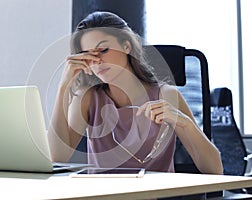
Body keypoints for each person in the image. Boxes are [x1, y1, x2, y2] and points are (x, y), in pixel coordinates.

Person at [48, 11, 223, 174]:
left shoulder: (166, 95)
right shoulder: (87, 98)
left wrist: (185, 123)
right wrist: (63, 87)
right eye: (88, 54)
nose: (97, 60)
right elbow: (57, 157)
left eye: (103, 50)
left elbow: (215, 170)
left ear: (126, 45)